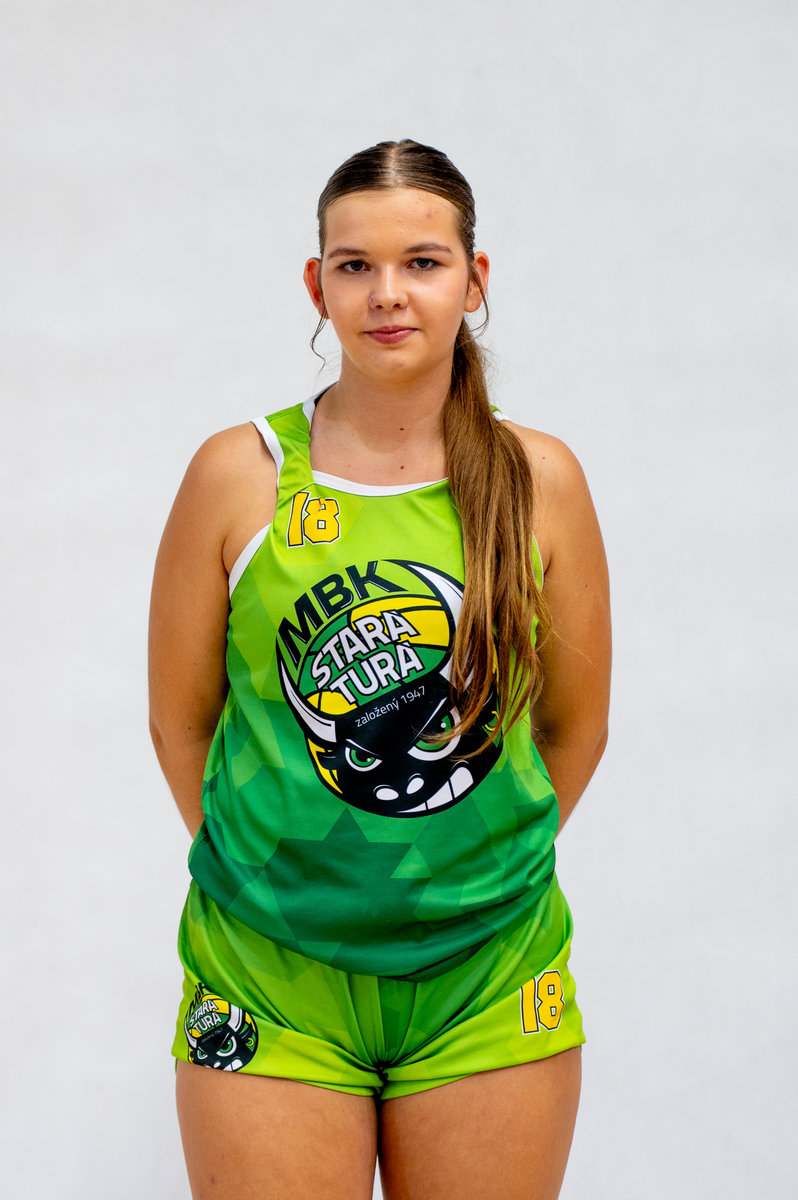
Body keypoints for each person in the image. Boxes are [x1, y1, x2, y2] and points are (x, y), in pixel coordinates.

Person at [149, 138, 611, 1200]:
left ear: (474, 281)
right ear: (318, 285)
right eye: (355, 265)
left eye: (423, 262)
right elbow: (181, 722)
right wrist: (282, 875)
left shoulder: (540, 480)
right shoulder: (238, 475)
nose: (388, 293)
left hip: (490, 971)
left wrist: (460, 872)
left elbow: (574, 728)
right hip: (267, 975)